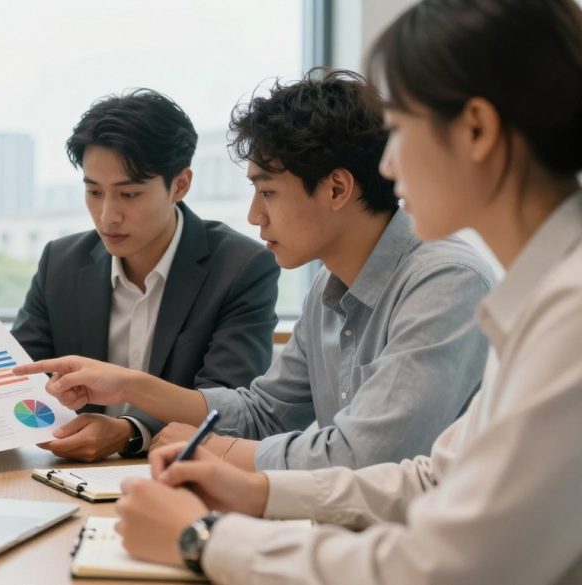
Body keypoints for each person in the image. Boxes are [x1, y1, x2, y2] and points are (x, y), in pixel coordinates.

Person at [113, 0, 582, 582]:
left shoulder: (565, 315)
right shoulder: (545, 301)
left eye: (403, 129)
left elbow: (445, 568)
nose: (387, 161)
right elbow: (432, 478)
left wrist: (203, 538)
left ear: (478, 130)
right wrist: (254, 493)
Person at [17, 70, 495, 472]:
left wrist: (214, 449)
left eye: (266, 192)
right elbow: (265, 412)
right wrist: (128, 385)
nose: (253, 216)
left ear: (336, 189)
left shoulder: (446, 281)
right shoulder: (329, 286)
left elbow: (368, 454)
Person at [0, 90, 280, 462]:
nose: (108, 216)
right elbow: (26, 377)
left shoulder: (240, 266)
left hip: (179, 475)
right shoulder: (61, 262)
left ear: (181, 184)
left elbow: (226, 403)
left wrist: (130, 433)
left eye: (129, 195)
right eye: (94, 191)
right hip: (63, 472)